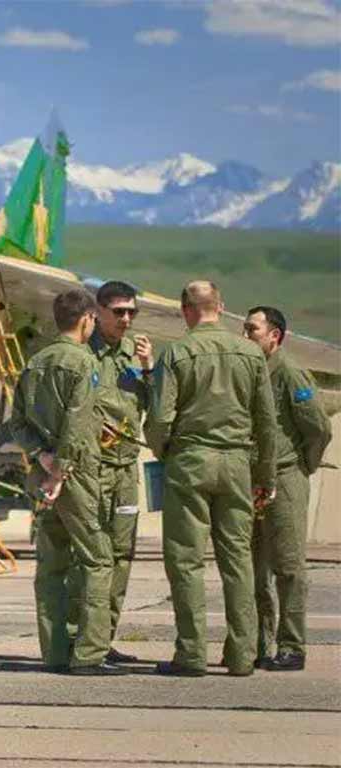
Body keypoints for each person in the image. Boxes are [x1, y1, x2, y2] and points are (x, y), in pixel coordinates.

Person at [145, 281, 276, 677]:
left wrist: (164, 452)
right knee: (237, 559)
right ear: (221, 306)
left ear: (185, 310)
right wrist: (265, 474)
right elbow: (266, 421)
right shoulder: (251, 353)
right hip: (237, 463)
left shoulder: (176, 353)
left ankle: (191, 653)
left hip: (190, 461)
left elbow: (160, 418)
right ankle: (242, 655)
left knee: (186, 560)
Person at [2, 289, 126, 675]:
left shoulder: (35, 363)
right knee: (98, 559)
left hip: (42, 474)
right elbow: (77, 422)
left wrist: (43, 456)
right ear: (87, 319)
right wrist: (62, 470)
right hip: (75, 476)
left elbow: (17, 422)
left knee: (51, 564)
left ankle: (55, 652)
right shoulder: (84, 362)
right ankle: (90, 654)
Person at [67, 281, 153, 664]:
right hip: (92, 471)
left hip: (125, 470)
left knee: (121, 555)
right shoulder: (83, 354)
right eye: (119, 312)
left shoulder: (133, 357)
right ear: (98, 312)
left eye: (132, 312)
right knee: (88, 558)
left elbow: (156, 406)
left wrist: (149, 369)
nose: (126, 319)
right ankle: (77, 638)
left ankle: (104, 638)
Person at [243, 306, 332, 671]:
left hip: (284, 477)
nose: (246, 336)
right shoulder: (251, 370)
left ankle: (292, 646)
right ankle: (260, 644)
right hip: (254, 480)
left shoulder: (290, 373)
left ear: (274, 336)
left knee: (288, 565)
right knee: (255, 567)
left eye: (252, 329)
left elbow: (319, 428)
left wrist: (302, 465)